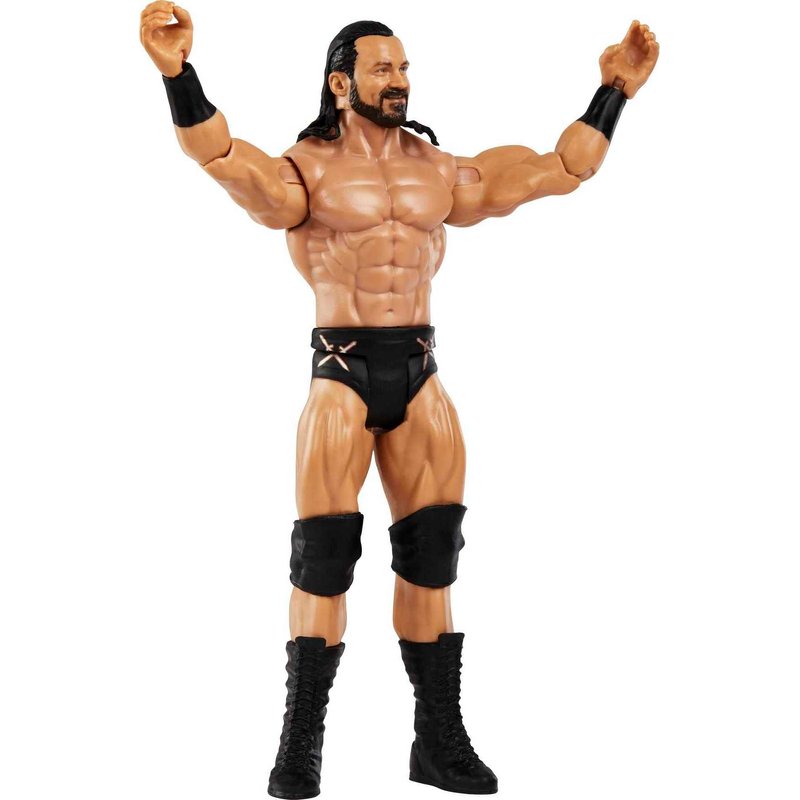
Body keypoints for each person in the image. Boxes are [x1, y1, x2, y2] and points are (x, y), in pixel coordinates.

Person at [139, 6, 659, 797]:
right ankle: (300, 745)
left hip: (420, 373)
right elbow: (219, 156)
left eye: (405, 67)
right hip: (340, 375)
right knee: (322, 563)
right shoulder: (305, 169)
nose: (400, 81)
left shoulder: (437, 170)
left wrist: (614, 90)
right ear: (340, 82)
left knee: (432, 560)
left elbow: (561, 168)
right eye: (383, 69)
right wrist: (179, 73)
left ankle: (438, 743)